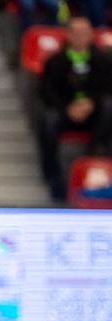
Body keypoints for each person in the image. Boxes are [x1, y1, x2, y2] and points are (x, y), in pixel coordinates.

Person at [38, 15, 112, 201]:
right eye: (76, 32)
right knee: (48, 120)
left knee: (109, 107)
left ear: (91, 35)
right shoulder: (55, 61)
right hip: (65, 112)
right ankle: (53, 177)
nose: (80, 37)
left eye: (84, 32)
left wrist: (90, 103)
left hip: (94, 113)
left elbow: (108, 88)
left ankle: (96, 157)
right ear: (68, 35)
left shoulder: (103, 60)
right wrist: (67, 108)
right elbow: (47, 92)